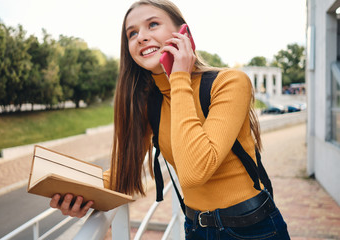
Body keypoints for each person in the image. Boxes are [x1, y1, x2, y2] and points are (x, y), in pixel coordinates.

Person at [50, 0, 291, 239]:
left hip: (254, 229)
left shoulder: (230, 83)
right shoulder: (150, 103)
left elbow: (195, 171)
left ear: (183, 33)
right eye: (132, 33)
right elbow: (123, 172)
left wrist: (178, 77)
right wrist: (76, 194)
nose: (141, 37)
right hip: (196, 229)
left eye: (152, 24)